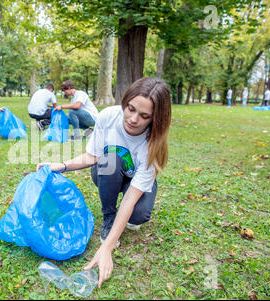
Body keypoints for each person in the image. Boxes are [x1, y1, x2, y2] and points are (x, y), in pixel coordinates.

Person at [36, 77, 172, 287]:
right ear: (125, 101)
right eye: (130, 108)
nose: (133, 119)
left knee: (137, 217)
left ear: (155, 118)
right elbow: (92, 156)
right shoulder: (109, 116)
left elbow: (130, 198)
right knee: (109, 159)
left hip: (134, 182)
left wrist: (106, 249)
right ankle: (109, 215)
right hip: (109, 171)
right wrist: (61, 165)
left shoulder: (153, 143)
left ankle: (121, 220)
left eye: (144, 116)